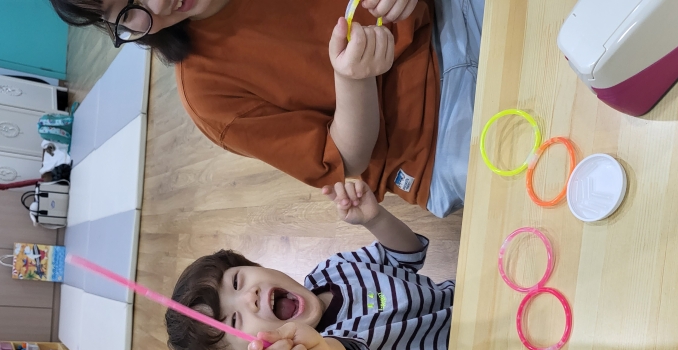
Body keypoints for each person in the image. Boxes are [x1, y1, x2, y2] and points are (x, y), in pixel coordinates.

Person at [49, 0, 484, 216]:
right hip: (431, 142)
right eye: (128, 11)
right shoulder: (208, 97)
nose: (159, 5)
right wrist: (354, 80)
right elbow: (347, 160)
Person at [165, 179, 454, 350]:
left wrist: (375, 219)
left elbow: (407, 256)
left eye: (237, 281)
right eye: (233, 320)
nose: (248, 297)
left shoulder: (332, 269)